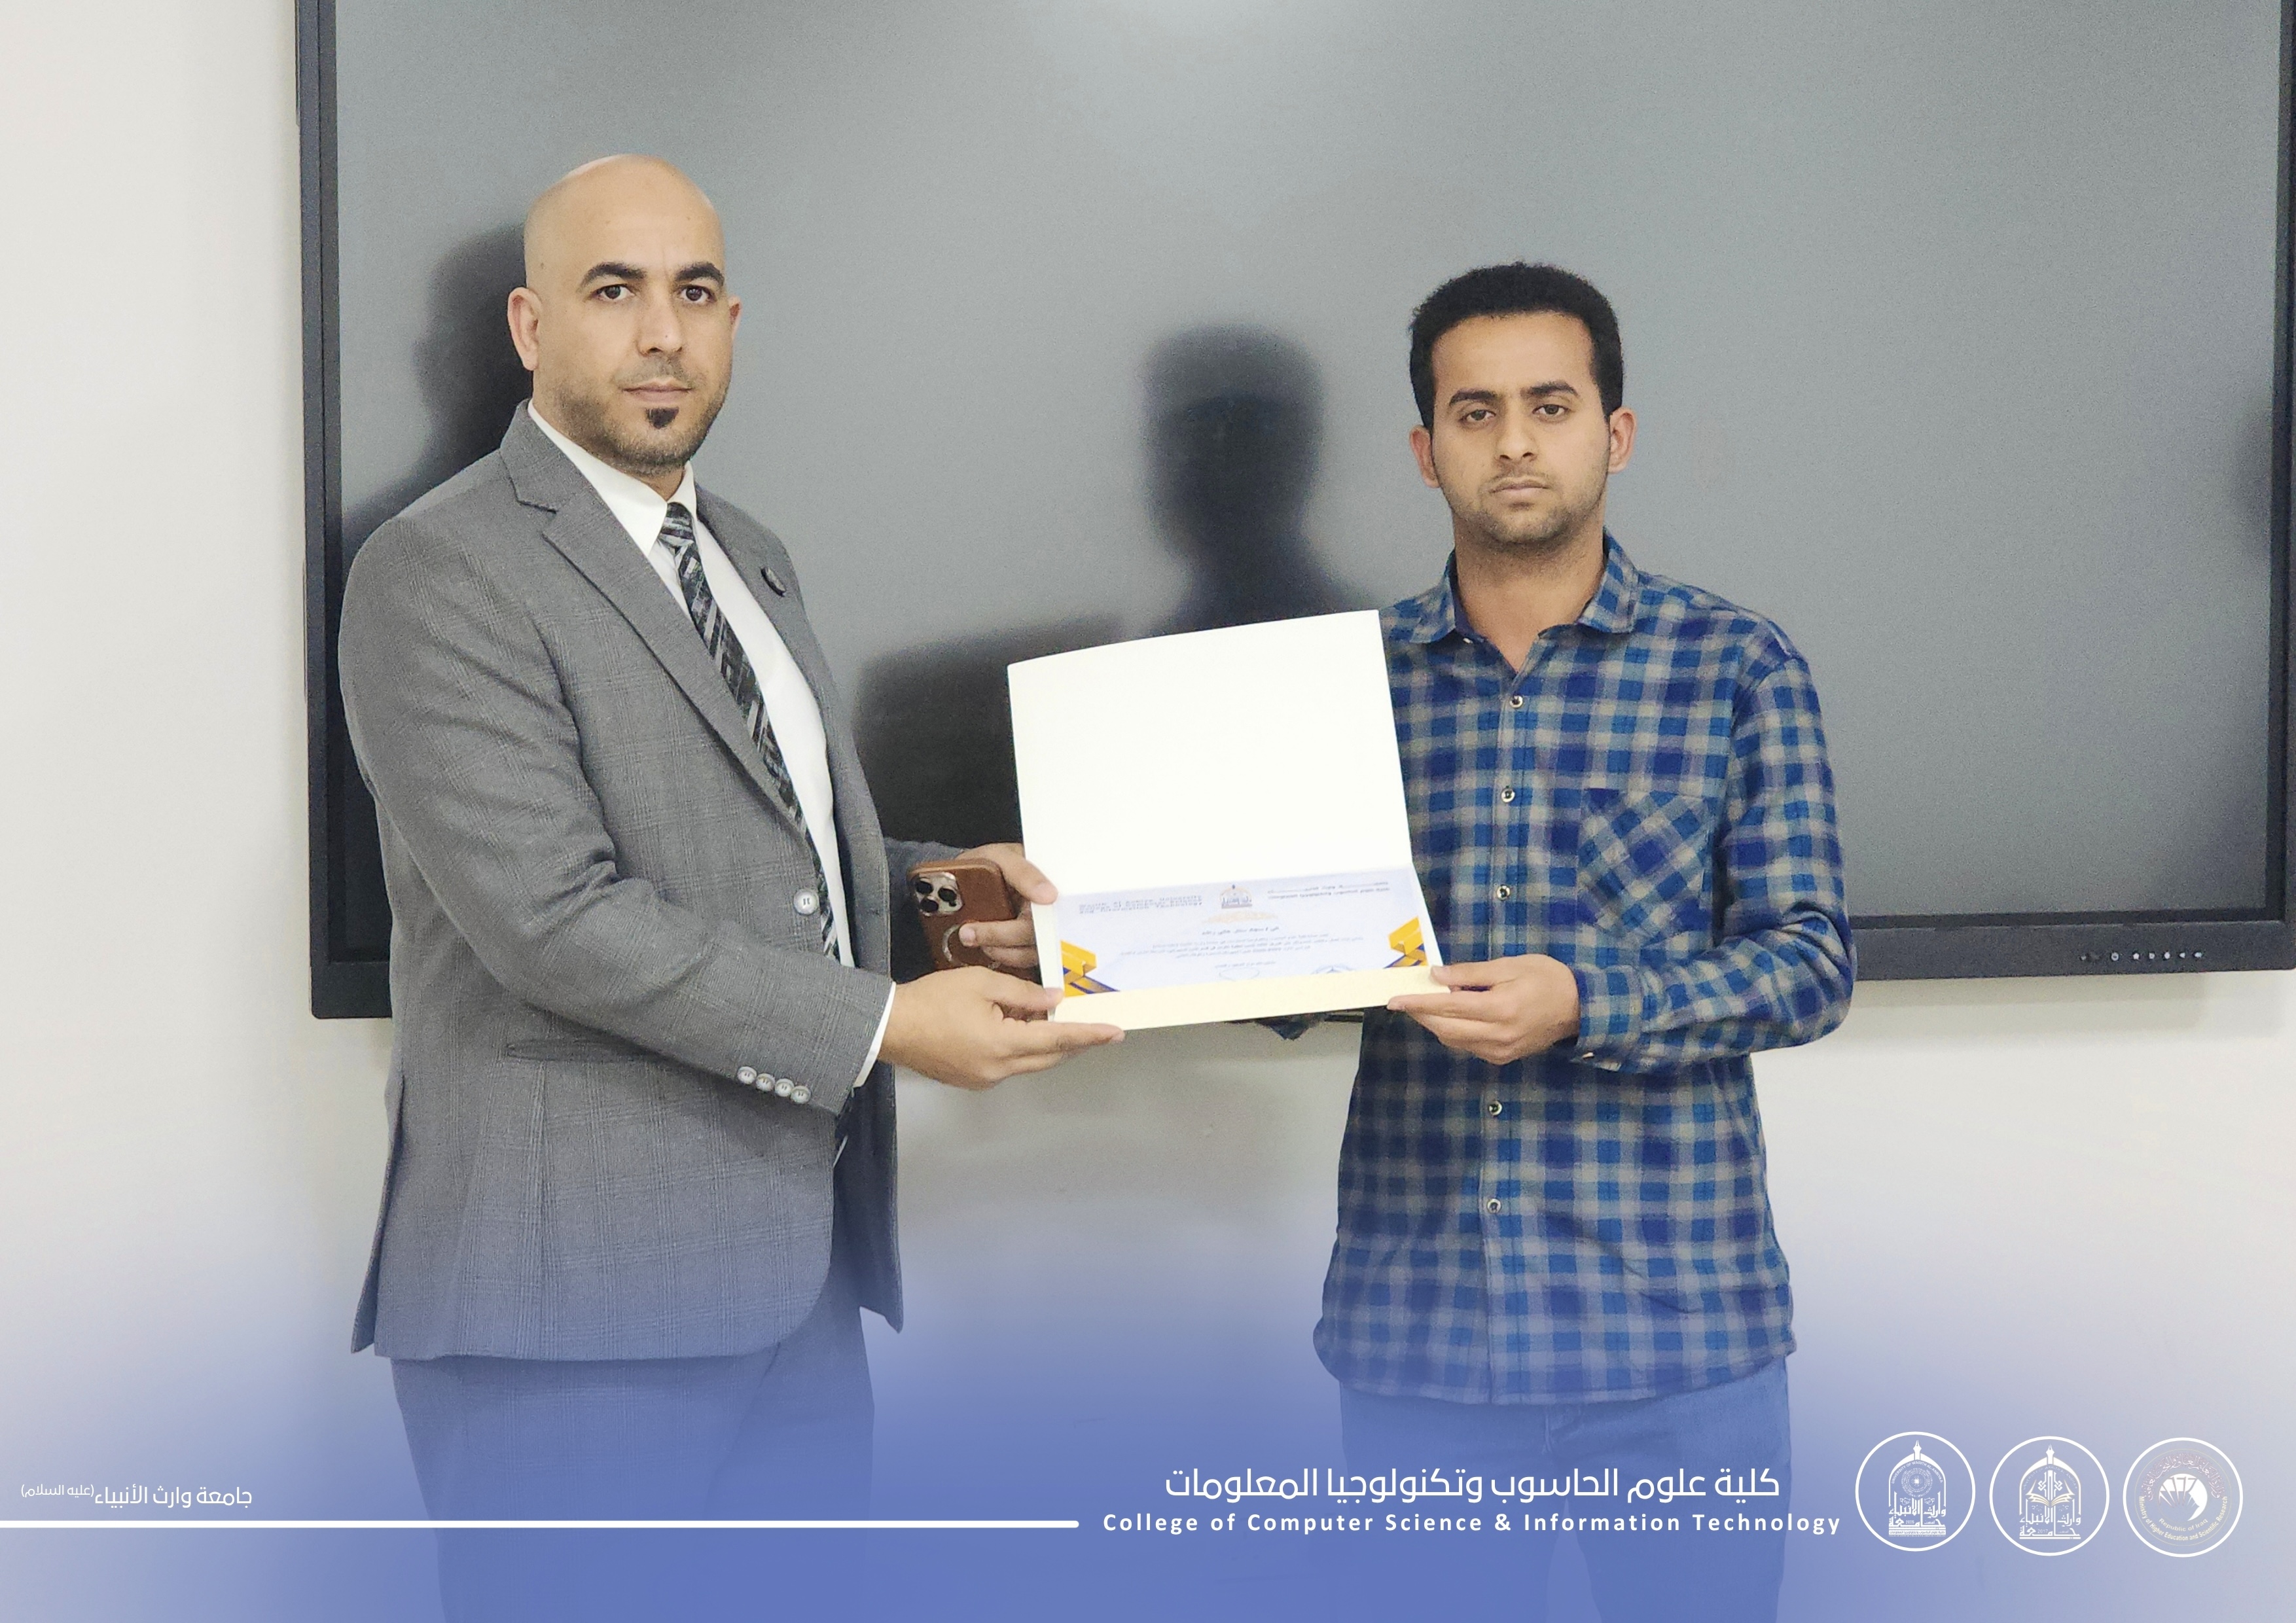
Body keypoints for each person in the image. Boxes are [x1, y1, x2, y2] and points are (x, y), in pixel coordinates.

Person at [337, 155, 1121, 1613]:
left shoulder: (747, 554)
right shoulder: (437, 568)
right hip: (566, 1320)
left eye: (694, 292)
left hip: (796, 1290)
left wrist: (939, 893)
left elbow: (776, 847)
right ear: (528, 326)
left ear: (734, 321)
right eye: (614, 290)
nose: (663, 334)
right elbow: (555, 919)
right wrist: (886, 1025)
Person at [1319, 262, 1853, 1621]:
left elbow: (1807, 962)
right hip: (1421, 1344)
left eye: (1549, 407)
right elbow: (1276, 964)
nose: (1514, 442)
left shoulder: (1735, 666)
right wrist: (1118, 945)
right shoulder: (1338, 691)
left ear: (1614, 432)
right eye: (1475, 411)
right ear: (1424, 448)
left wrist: (1586, 1003)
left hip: (1678, 1346)